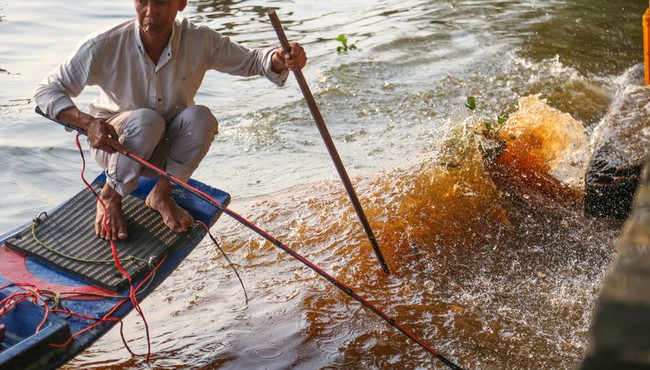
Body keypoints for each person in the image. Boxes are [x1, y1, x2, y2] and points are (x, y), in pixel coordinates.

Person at [34, 0, 306, 241]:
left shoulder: (199, 39)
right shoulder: (104, 44)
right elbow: (46, 91)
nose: (150, 12)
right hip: (116, 146)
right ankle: (109, 196)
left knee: (201, 118)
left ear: (181, 3)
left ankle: (162, 193)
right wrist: (88, 122)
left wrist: (280, 59)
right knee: (147, 121)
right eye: (142, 2)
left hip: (166, 150)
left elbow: (254, 61)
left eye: (162, 3)